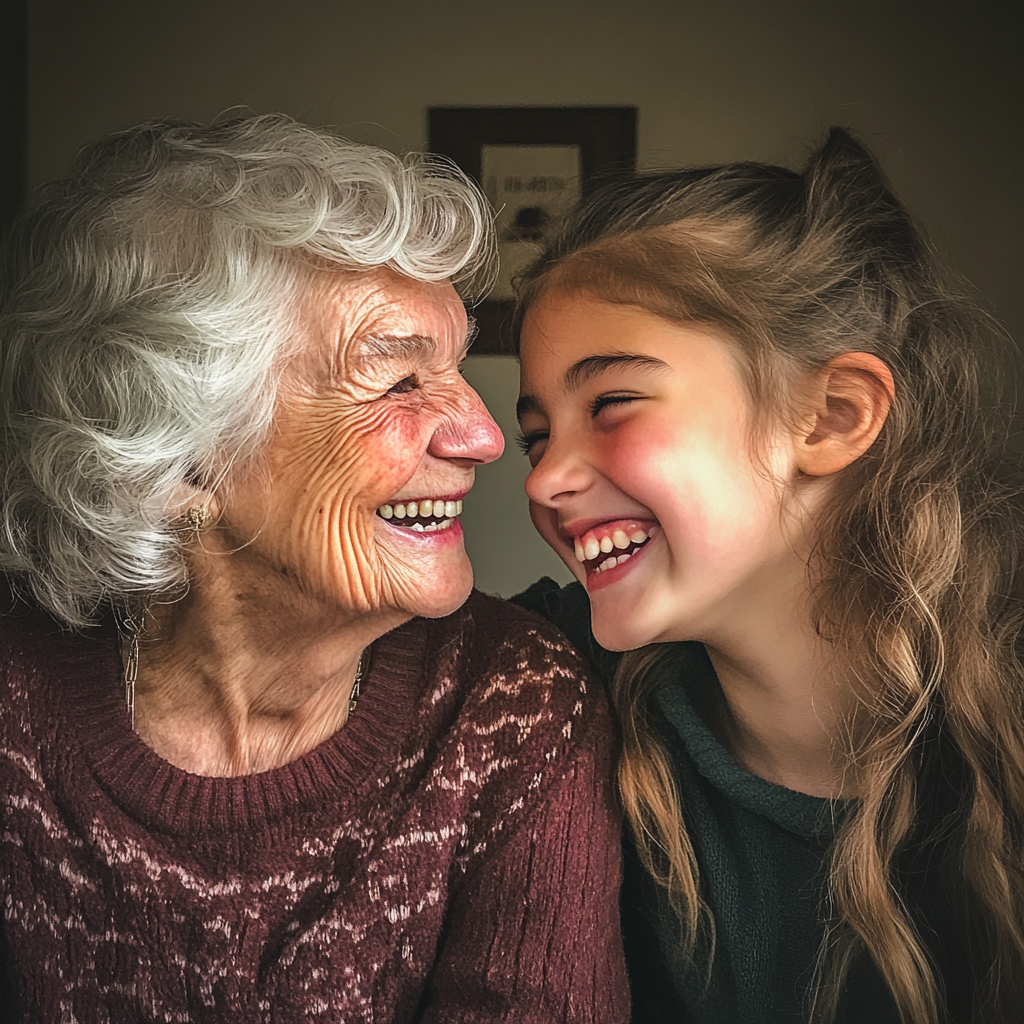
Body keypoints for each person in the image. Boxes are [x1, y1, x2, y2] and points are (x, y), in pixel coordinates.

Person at [0, 115, 628, 1022]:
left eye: (456, 369)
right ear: (180, 464)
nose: (486, 437)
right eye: (398, 382)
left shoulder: (509, 707)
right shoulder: (18, 694)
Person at [511, 128, 1024, 1023]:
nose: (545, 477)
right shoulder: (539, 684)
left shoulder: (1001, 718)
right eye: (537, 434)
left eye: (611, 404)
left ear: (830, 416)